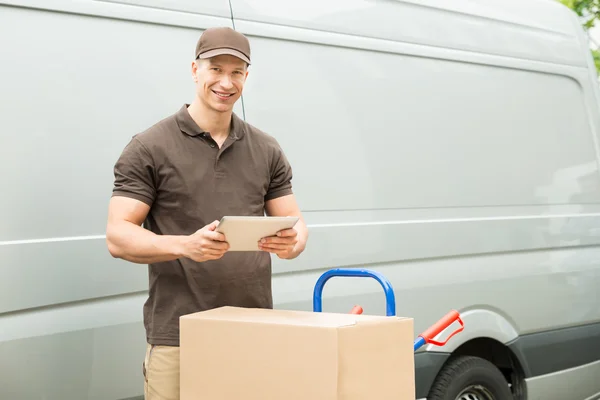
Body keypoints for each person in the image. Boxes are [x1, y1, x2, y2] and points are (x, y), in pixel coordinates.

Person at [105, 26, 308, 400]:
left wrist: (291, 242)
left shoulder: (266, 148)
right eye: (216, 69)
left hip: (252, 328)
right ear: (195, 70)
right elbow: (118, 236)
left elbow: (297, 229)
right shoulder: (149, 147)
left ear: (246, 77)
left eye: (236, 72)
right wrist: (186, 245)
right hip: (178, 337)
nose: (225, 82)